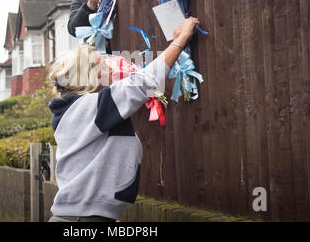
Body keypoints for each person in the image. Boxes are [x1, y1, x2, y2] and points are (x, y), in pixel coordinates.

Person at [47, 17, 200, 222]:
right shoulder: (91, 108)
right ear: (88, 76)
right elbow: (144, 82)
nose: (110, 69)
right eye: (103, 66)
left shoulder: (78, 111)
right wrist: (180, 41)